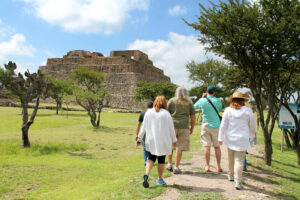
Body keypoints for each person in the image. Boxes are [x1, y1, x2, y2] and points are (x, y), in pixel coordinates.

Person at [218, 92, 256, 190]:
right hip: (242, 139)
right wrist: (252, 136)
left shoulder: (228, 110)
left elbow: (223, 125)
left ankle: (230, 174)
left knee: (231, 158)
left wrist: (220, 137)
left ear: (232, 100)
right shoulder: (248, 111)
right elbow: (252, 125)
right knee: (239, 160)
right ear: (243, 100)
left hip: (230, 138)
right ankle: (238, 181)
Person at [137, 96, 177, 188]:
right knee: (161, 160)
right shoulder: (166, 114)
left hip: (151, 140)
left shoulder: (148, 113)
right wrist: (174, 140)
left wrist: (139, 137)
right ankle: (159, 179)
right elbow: (171, 128)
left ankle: (146, 174)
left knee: (150, 158)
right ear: (164, 103)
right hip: (163, 141)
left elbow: (144, 127)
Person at [166, 86, 196, 174]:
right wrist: (192, 127)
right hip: (184, 126)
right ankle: (176, 166)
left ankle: (169, 163)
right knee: (180, 147)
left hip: (172, 126)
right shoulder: (189, 102)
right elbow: (193, 117)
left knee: (171, 145)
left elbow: (167, 114)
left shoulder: (171, 101)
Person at [194, 85, 222, 172]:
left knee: (207, 147)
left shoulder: (202, 100)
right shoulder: (218, 100)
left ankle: (207, 166)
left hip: (206, 125)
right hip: (216, 125)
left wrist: (202, 98)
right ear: (214, 92)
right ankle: (218, 166)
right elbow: (219, 109)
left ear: (206, 91)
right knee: (217, 147)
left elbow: (194, 107)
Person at [135, 101, 153, 166]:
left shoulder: (143, 113)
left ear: (146, 107)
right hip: (153, 131)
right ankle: (150, 159)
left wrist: (137, 134)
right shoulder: (155, 113)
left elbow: (138, 124)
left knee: (144, 146)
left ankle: (146, 161)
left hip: (145, 131)